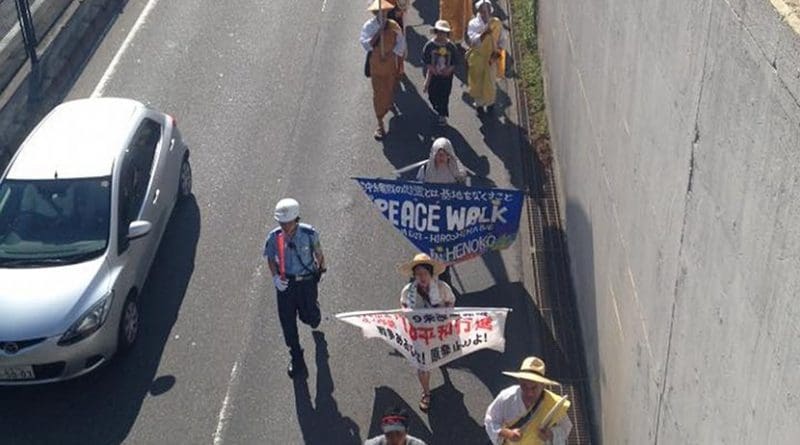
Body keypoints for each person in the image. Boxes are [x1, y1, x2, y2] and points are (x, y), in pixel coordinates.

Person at [263, 198, 327, 379]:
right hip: (286, 283)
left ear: (296, 220)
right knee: (287, 321)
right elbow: (270, 257)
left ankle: (314, 312)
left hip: (306, 282)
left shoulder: (309, 234)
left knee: (309, 317)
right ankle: (296, 355)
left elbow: (319, 254)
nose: (284, 226)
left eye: (287, 222)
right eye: (281, 222)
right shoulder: (274, 237)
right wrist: (275, 277)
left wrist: (322, 271)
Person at [399, 253, 456, 412]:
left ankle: (442, 366)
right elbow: (403, 304)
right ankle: (426, 393)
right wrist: (409, 313)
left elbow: (451, 302)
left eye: (424, 273)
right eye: (418, 274)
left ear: (431, 274)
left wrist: (442, 310)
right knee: (423, 365)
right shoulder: (408, 291)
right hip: (420, 333)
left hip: (438, 330)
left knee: (440, 354)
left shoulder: (442, 288)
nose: (421, 277)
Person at [484, 356, 573, 445]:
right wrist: (507, 433)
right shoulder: (506, 397)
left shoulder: (553, 403)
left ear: (542, 385)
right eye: (524, 386)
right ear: (519, 381)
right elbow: (490, 420)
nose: (529, 393)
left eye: (534, 388)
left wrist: (551, 434)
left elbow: (566, 427)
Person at [361, 0, 406, 141]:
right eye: (381, 12)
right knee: (378, 92)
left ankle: (388, 101)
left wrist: (392, 54)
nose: (383, 14)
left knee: (390, 86)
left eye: (385, 12)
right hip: (376, 64)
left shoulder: (393, 26)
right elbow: (366, 44)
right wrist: (379, 32)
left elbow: (401, 43)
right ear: (376, 13)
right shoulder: (369, 26)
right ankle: (380, 122)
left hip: (390, 63)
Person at [466, 0, 506, 116]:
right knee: (477, 82)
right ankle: (479, 105)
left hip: (491, 58)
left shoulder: (497, 23)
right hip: (477, 58)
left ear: (490, 10)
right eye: (483, 11)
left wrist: (497, 53)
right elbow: (473, 41)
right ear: (478, 11)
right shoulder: (473, 24)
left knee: (490, 83)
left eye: (487, 10)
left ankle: (490, 103)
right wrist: (484, 33)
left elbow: (502, 40)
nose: (485, 13)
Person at [422, 21, 460, 126]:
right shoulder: (429, 46)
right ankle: (436, 106)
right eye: (439, 32)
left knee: (444, 96)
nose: (441, 34)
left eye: (444, 32)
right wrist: (432, 69)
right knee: (432, 95)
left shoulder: (451, 47)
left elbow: (455, 62)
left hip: (446, 78)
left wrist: (449, 70)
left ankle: (442, 115)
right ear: (435, 32)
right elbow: (426, 61)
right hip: (433, 76)